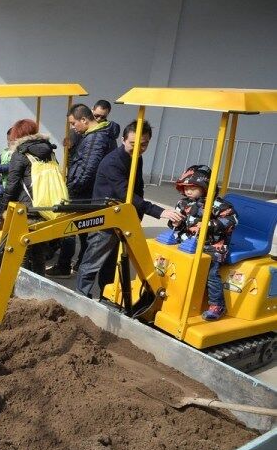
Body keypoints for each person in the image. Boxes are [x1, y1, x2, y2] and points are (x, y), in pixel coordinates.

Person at [75, 120, 183, 297]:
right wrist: (159, 211)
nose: (139, 148)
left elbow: (138, 188)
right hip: (106, 218)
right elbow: (127, 195)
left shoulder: (136, 158)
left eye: (144, 144)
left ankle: (106, 295)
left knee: (111, 263)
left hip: (122, 218)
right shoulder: (112, 163)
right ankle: (80, 296)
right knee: (93, 261)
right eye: (134, 144)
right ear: (124, 140)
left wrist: (137, 216)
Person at [47, 104, 120, 278]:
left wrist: (70, 190)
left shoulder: (95, 138)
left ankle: (64, 266)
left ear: (84, 120)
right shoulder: (97, 135)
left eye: (73, 124)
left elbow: (87, 170)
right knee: (84, 231)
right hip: (89, 192)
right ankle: (80, 263)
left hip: (82, 192)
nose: (72, 128)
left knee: (69, 229)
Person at [169, 165, 238, 321]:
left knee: (211, 273)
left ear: (205, 187)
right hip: (187, 243)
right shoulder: (183, 203)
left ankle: (217, 305)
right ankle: (175, 296)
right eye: (186, 187)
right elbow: (178, 223)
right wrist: (174, 223)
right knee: (172, 263)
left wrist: (209, 224)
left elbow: (231, 220)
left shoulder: (218, 205)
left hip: (212, 246)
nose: (188, 191)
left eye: (193, 187)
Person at [0, 119, 57, 275]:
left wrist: (2, 210)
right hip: (46, 206)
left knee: (22, 252)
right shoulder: (49, 151)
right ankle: (40, 285)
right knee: (39, 252)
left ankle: (21, 287)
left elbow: (12, 185)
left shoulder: (20, 154)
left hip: (26, 209)